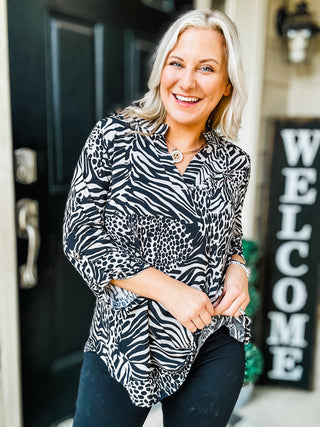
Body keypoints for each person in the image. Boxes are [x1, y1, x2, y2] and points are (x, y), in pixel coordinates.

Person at [63, 8, 251, 427]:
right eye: (177, 63)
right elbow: (79, 235)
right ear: (161, 70)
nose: (187, 82)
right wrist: (169, 291)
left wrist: (239, 269)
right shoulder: (112, 138)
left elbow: (230, 236)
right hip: (121, 339)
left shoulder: (234, 163)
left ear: (225, 85)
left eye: (206, 68)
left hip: (210, 342)